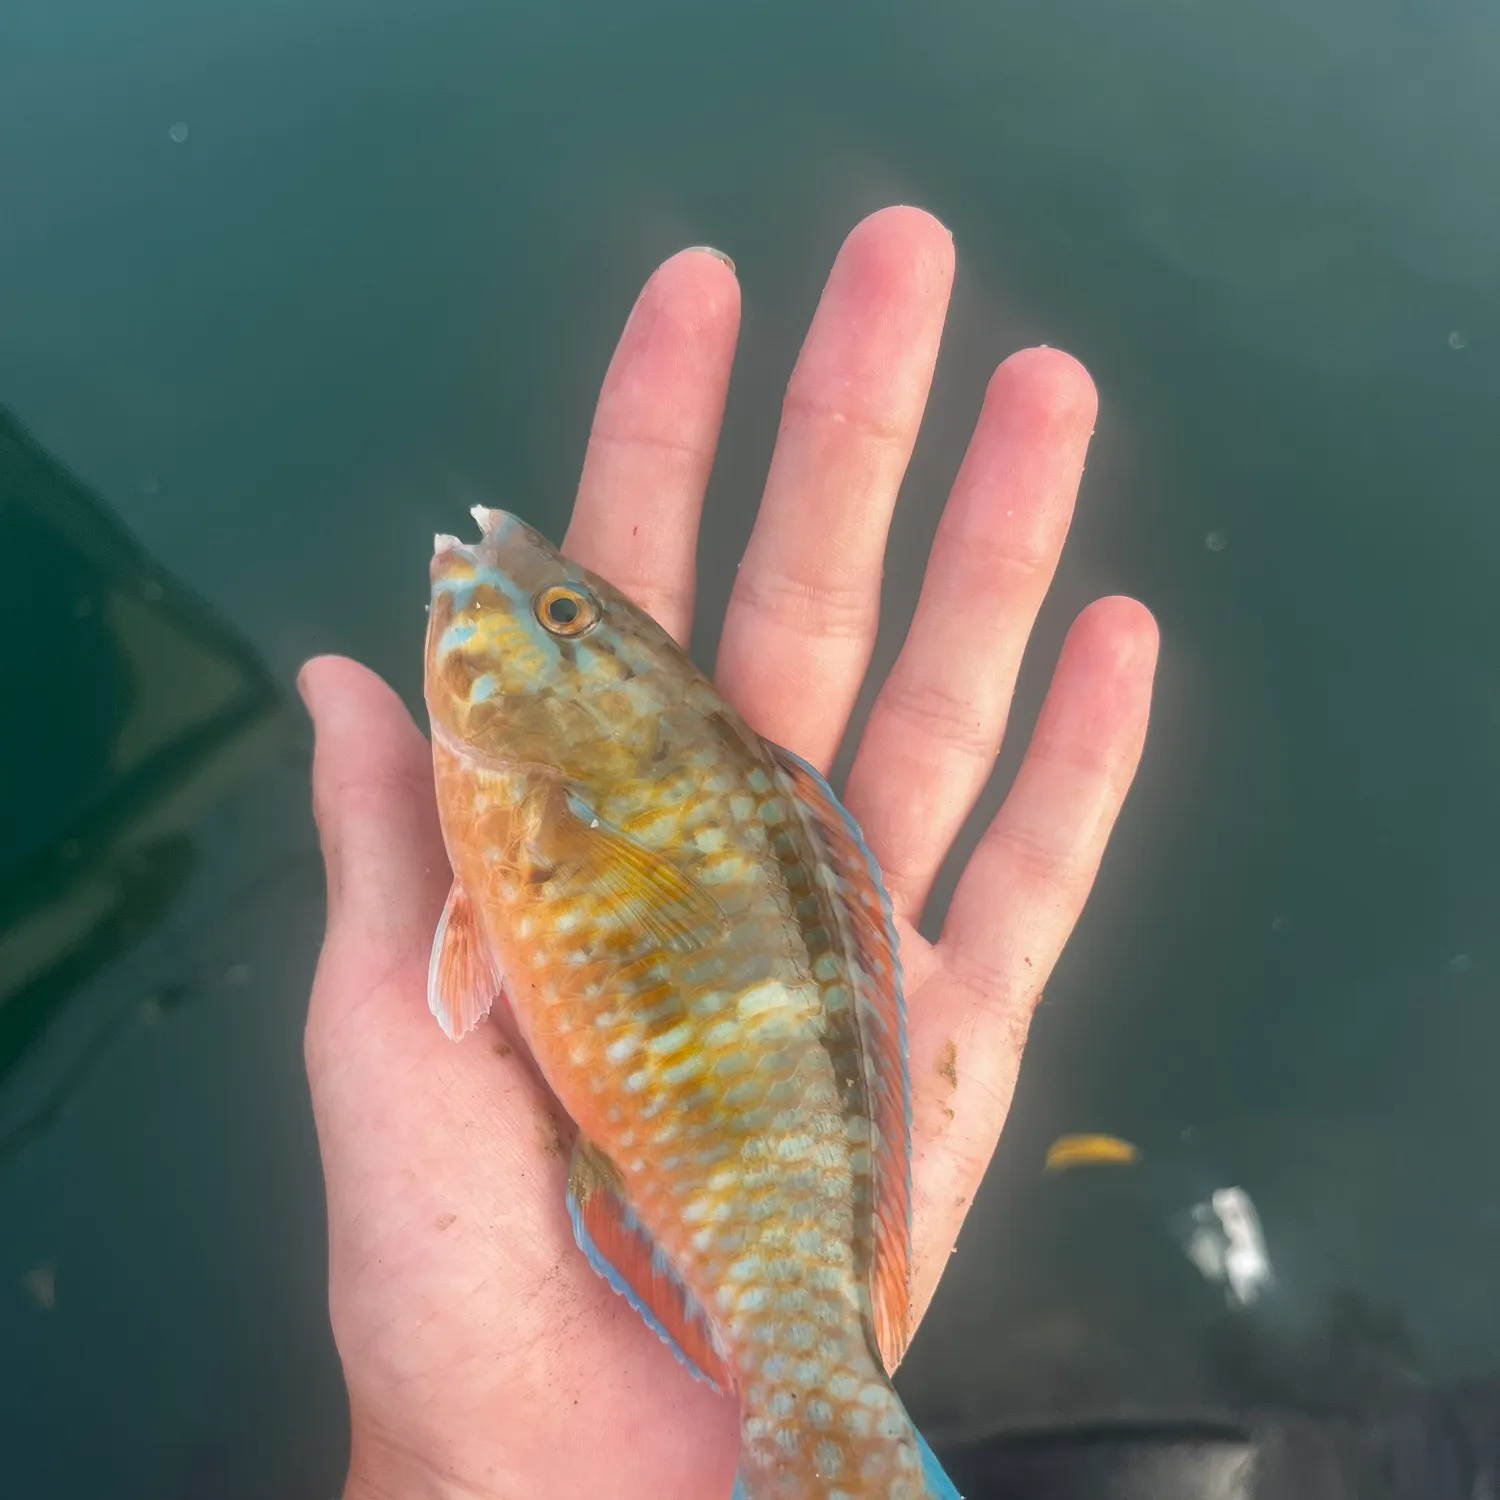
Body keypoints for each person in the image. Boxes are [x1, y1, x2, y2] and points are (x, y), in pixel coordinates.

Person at [297, 205, 1159, 1500]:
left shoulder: (544, 799)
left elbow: (484, 953)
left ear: (596, 715)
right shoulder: (549, 792)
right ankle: (828, 1427)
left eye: (566, 614)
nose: (502, 583)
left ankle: (822, 1420)